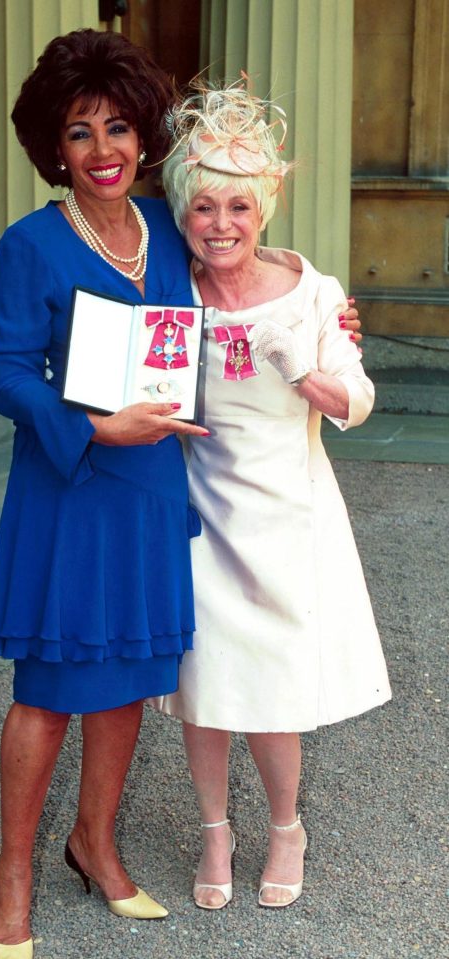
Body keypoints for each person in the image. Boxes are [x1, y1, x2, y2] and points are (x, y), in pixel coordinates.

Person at [0, 29, 213, 959]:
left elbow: (236, 285)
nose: (105, 150)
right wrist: (93, 426)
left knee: (125, 683)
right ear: (53, 146)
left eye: (119, 126)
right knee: (47, 690)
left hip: (150, 485)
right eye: (81, 132)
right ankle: (13, 871)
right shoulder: (31, 242)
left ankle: (95, 842)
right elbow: (6, 370)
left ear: (144, 133)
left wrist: (322, 307)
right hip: (70, 483)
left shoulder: (167, 226)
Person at [152, 82, 392, 911]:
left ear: (265, 212)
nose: (222, 224)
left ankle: (286, 825)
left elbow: (357, 406)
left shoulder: (312, 291)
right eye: (205, 206)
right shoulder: (166, 294)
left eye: (239, 207)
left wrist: (304, 367)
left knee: (273, 686)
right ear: (183, 211)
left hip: (286, 514)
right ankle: (215, 828)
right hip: (196, 515)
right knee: (203, 682)